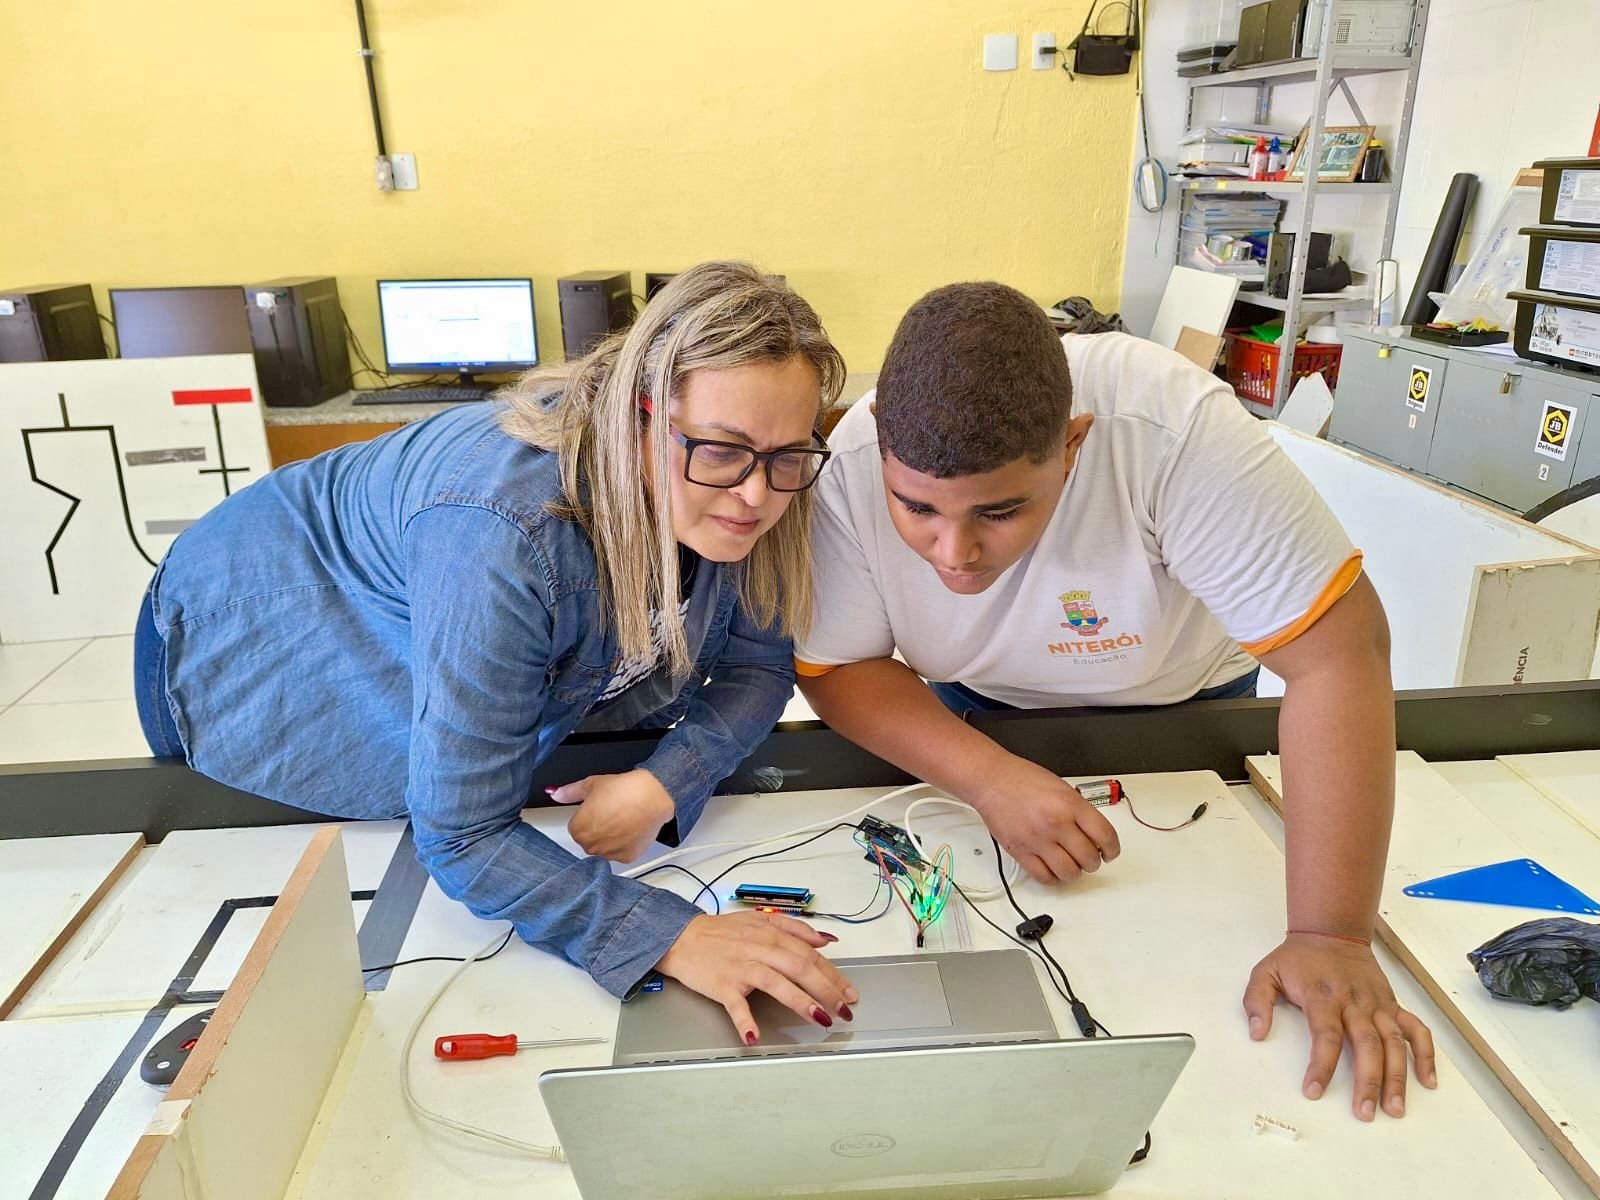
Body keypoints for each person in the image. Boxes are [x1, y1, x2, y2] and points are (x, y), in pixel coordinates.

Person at [134, 261, 857, 1043]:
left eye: (789, 456)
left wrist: (663, 783)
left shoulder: (761, 473)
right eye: (723, 451)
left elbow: (758, 666)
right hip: (242, 641)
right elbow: (462, 832)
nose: (758, 496)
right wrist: (673, 936)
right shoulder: (501, 528)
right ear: (641, 416)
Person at [796, 281, 1436, 1120]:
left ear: (1073, 445)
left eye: (1000, 509)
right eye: (915, 507)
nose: (953, 553)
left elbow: (1339, 659)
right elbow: (839, 667)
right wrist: (987, 777)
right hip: (966, 704)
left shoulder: (1171, 428)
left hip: (1185, 704)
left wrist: (1331, 933)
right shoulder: (847, 463)